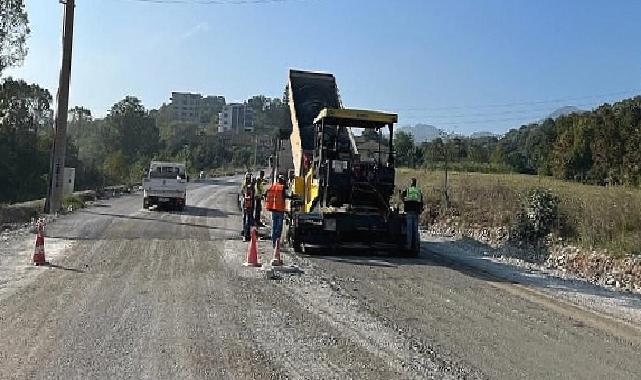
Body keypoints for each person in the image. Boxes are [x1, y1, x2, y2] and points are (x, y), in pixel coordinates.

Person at [401, 178, 423, 251]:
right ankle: (415, 246)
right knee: (415, 229)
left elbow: (402, 196)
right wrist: (421, 210)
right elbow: (421, 202)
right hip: (416, 212)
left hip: (409, 211)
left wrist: (404, 202)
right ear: (415, 183)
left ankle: (409, 245)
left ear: (411, 183)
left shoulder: (408, 190)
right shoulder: (418, 191)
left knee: (409, 229)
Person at [266, 174, 287, 248]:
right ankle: (277, 242)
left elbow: (268, 195)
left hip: (273, 209)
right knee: (279, 227)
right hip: (280, 209)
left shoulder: (273, 186)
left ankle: (274, 242)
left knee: (274, 226)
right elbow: (284, 197)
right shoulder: (282, 188)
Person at [240, 172, 255, 241]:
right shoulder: (249, 186)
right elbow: (249, 195)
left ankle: (245, 231)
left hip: (245, 203)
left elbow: (242, 192)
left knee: (245, 218)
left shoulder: (245, 184)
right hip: (247, 204)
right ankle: (246, 234)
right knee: (247, 219)